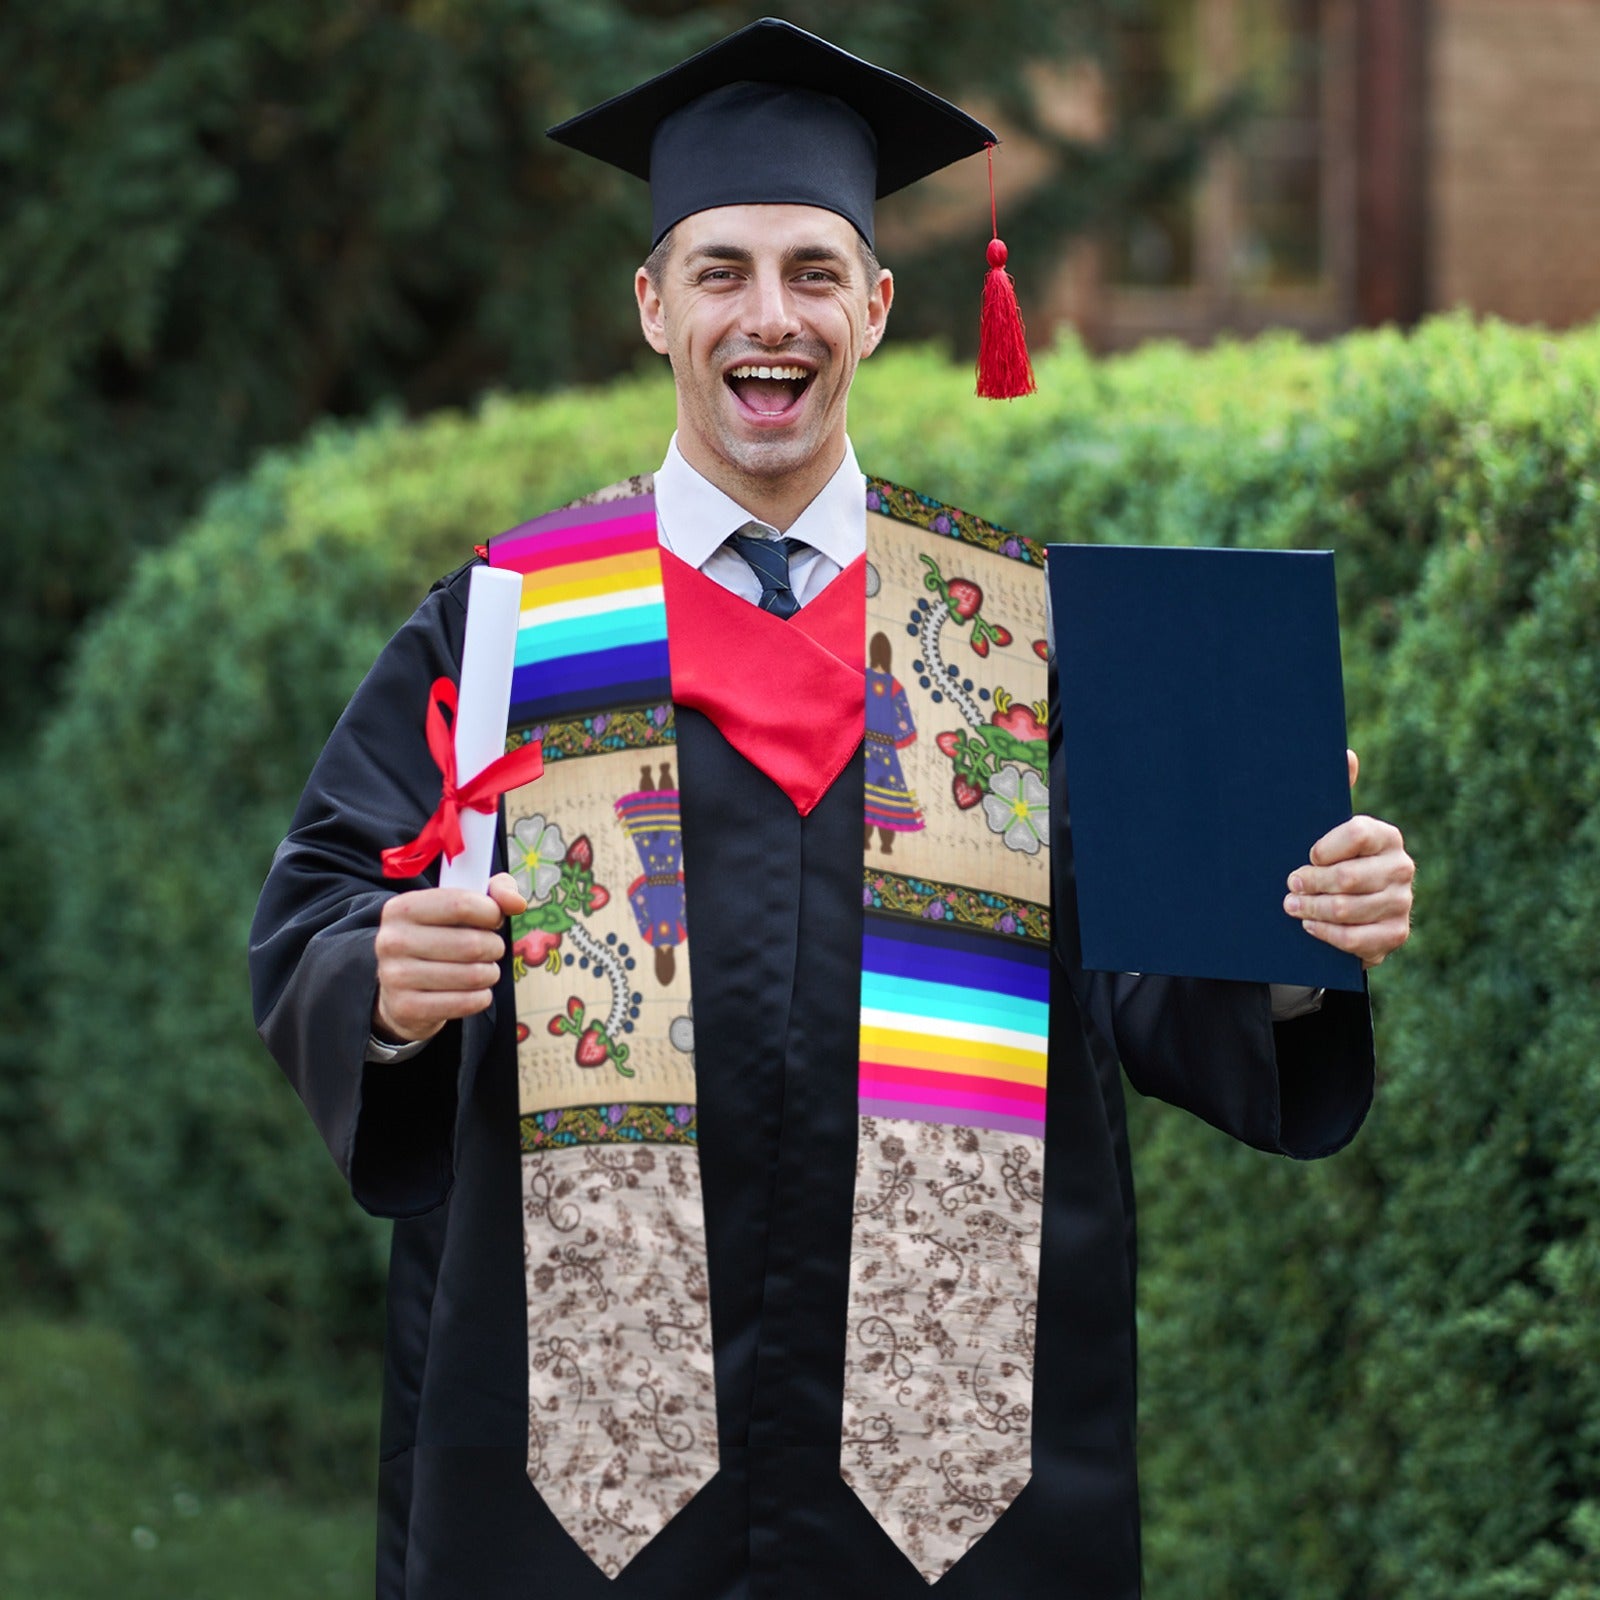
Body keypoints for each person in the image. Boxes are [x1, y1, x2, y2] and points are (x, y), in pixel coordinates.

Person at [249, 19, 1415, 1600]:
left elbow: (1149, 977)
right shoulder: (515, 624)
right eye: (721, 270)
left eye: (812, 271)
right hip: (585, 1467)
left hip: (950, 1469)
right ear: (654, 304)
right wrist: (379, 984)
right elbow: (324, 902)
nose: (768, 316)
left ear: (876, 305)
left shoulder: (1013, 633)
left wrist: (1292, 934)